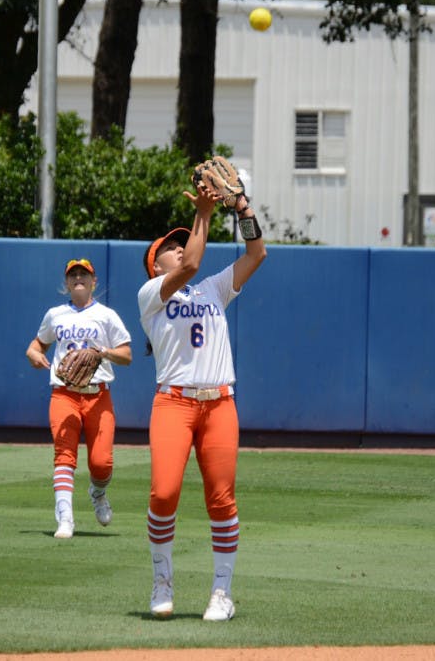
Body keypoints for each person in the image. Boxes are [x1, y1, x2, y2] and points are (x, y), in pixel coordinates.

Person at [137, 173, 267, 621]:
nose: (178, 248)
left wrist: (243, 207)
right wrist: (204, 214)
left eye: (180, 242)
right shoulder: (151, 294)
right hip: (173, 402)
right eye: (169, 247)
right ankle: (161, 581)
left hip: (219, 404)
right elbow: (189, 264)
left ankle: (222, 592)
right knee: (163, 493)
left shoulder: (212, 289)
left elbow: (257, 254)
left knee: (221, 498)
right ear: (155, 266)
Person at [26, 258, 133, 539]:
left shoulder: (107, 315)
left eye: (83, 274)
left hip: (98, 395)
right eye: (73, 275)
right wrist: (35, 355)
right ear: (66, 283)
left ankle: (97, 492)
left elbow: (127, 356)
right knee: (64, 454)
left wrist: (104, 353)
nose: (78, 279)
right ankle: (65, 519)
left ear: (93, 281)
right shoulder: (55, 314)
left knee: (101, 463)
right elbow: (36, 346)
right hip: (64, 393)